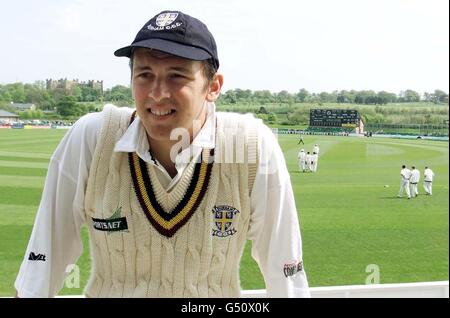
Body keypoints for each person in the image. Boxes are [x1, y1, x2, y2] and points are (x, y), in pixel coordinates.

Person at [14, 10, 309, 298]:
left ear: (213, 86)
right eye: (145, 74)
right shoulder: (92, 138)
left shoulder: (251, 146)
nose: (157, 92)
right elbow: (40, 273)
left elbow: (287, 278)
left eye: (176, 76)